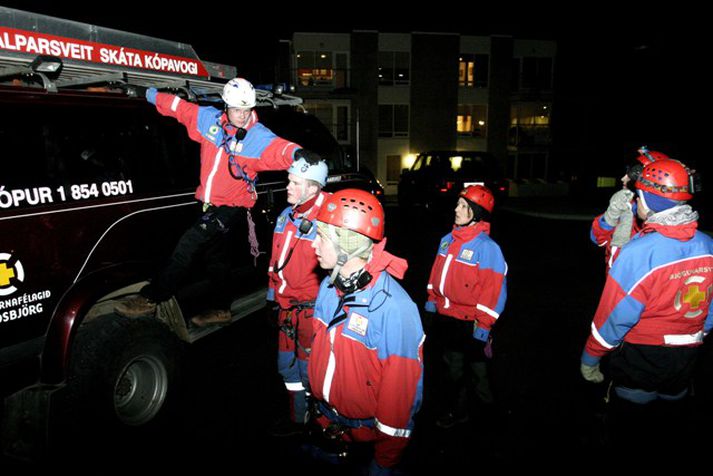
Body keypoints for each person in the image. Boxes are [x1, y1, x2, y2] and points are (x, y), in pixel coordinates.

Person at [114, 78, 322, 326]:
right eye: (236, 110)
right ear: (225, 106)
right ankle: (222, 308)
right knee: (216, 261)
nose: (242, 116)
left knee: (188, 243)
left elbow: (281, 148)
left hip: (230, 208)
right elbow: (177, 106)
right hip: (209, 204)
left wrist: (298, 153)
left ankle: (152, 297)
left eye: (247, 110)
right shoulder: (208, 120)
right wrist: (145, 92)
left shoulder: (257, 137)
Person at [581, 158, 713, 449]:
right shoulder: (707, 244)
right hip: (686, 357)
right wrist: (698, 332)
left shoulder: (639, 252)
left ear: (646, 198)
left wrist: (591, 356)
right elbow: (710, 306)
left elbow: (615, 319)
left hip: (641, 355)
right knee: (668, 426)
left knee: (631, 431)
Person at [307, 189, 424, 475]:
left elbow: (400, 400)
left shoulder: (394, 309)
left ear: (347, 246)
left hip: (365, 446)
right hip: (324, 428)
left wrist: (384, 461)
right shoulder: (328, 287)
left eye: (322, 237)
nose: (314, 244)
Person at [424, 185, 507, 428]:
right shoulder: (447, 240)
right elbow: (436, 275)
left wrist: (483, 326)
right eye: (458, 204)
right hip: (446, 319)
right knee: (452, 370)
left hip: (471, 323)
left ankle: (489, 418)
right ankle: (456, 411)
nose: (456, 209)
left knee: (479, 373)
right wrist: (431, 303)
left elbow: (494, 290)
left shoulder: (488, 248)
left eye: (463, 206)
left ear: (477, 213)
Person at [266, 156, 329, 434]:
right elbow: (276, 261)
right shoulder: (285, 215)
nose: (287, 186)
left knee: (310, 371)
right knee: (286, 368)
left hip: (311, 313)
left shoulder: (328, 220)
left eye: (294, 182)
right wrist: (272, 296)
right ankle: (298, 418)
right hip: (285, 310)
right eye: (289, 181)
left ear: (313, 189)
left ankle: (320, 422)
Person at [590, 147, 669, 269]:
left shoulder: (664, 218)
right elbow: (597, 239)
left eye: (630, 174)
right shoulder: (625, 203)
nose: (623, 179)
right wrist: (611, 215)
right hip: (615, 276)